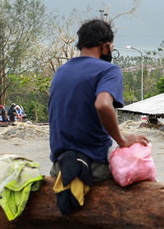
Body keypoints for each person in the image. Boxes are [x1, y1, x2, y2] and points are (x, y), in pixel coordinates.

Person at [48, 18, 149, 183]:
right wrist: (122, 141)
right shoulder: (109, 70)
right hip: (93, 166)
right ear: (105, 46)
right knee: (142, 170)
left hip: (59, 167)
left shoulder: (61, 71)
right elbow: (102, 105)